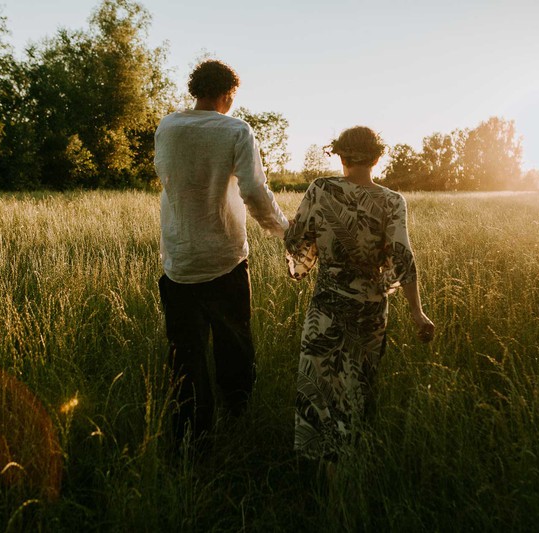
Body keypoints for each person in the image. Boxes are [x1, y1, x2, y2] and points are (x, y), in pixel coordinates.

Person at [155, 60, 289, 444]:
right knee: (234, 345)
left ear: (196, 89)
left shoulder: (167, 126)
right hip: (226, 258)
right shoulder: (236, 130)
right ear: (228, 93)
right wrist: (285, 230)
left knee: (185, 354)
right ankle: (238, 416)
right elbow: (254, 191)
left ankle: (190, 438)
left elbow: (169, 176)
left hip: (179, 259)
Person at [284, 126, 435, 460]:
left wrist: (303, 254)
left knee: (320, 388)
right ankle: (349, 466)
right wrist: (416, 312)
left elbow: (298, 242)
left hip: (325, 307)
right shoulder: (393, 201)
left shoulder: (320, 189)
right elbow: (403, 257)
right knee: (356, 389)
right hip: (369, 311)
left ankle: (322, 468)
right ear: (377, 157)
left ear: (340, 156)